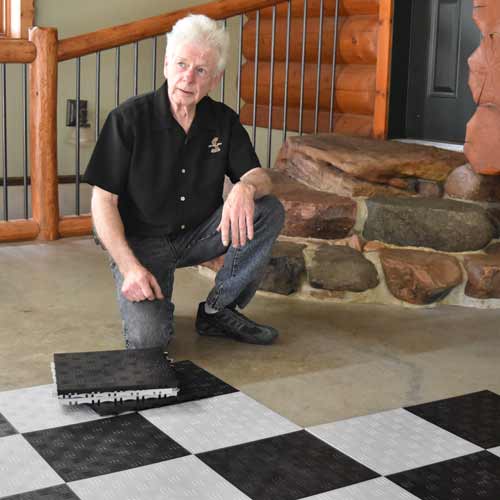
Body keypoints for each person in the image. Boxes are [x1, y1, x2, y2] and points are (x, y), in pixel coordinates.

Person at [83, 14, 285, 350]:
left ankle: (219, 309)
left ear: (215, 79)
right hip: (142, 241)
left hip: (199, 233)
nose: (188, 78)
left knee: (268, 209)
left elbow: (258, 175)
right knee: (149, 342)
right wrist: (129, 267)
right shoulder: (128, 119)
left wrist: (245, 187)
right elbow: (102, 201)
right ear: (166, 65)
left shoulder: (223, 120)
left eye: (200, 70)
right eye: (181, 64)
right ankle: (153, 299)